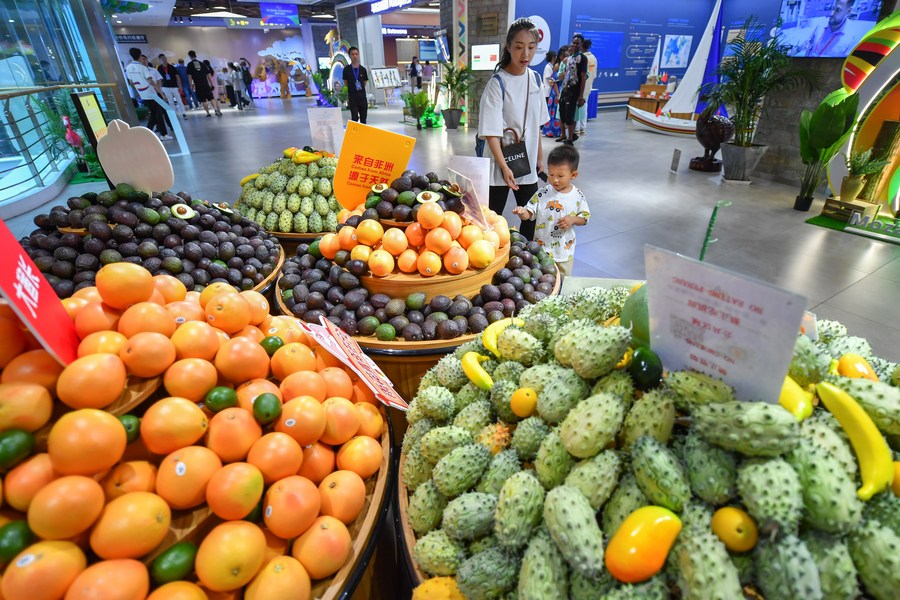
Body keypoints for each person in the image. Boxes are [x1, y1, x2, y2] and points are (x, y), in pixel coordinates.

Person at [477, 18, 549, 242]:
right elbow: (491, 132)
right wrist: (504, 167)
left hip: (525, 163)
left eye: (531, 47)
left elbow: (536, 122)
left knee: (531, 218)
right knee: (492, 219)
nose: (525, 54)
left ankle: (523, 258)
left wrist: (539, 155)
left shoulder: (536, 79)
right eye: (519, 47)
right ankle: (490, 261)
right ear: (508, 47)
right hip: (500, 163)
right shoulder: (497, 83)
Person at [512, 145, 589, 278]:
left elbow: (585, 218)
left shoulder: (577, 196)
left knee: (563, 281)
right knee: (542, 281)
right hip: (541, 251)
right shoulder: (543, 193)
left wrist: (572, 219)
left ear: (573, 175)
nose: (555, 180)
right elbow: (529, 214)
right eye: (551, 174)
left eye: (560, 176)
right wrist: (522, 212)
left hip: (564, 253)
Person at [125, 48, 170, 140]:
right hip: (151, 94)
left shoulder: (128, 68)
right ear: (140, 55)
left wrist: (139, 90)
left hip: (143, 95)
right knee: (158, 113)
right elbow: (151, 82)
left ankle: (146, 133)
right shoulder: (143, 68)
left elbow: (131, 83)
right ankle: (163, 134)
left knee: (154, 114)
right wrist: (161, 93)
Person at [557, 33, 587, 146]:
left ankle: (569, 139)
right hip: (565, 89)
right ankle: (571, 135)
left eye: (577, 43)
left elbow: (583, 77)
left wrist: (580, 96)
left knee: (570, 114)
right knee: (563, 113)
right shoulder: (569, 58)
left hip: (574, 91)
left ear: (581, 45)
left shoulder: (582, 59)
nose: (574, 45)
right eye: (573, 42)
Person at [187, 50, 221, 117]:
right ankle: (216, 110)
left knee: (203, 100)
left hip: (198, 85)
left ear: (190, 56)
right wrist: (211, 84)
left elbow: (189, 76)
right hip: (206, 84)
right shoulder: (201, 64)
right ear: (195, 55)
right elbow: (208, 75)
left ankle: (208, 113)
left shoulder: (190, 65)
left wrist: (191, 85)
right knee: (211, 98)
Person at [575, 39, 597, 135]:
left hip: (581, 86)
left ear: (581, 46)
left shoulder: (582, 58)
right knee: (584, 106)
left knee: (578, 107)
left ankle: (577, 128)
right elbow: (594, 74)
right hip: (589, 86)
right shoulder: (594, 58)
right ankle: (583, 128)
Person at [343, 47, 369, 124]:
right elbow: (345, 83)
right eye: (353, 54)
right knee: (354, 118)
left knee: (363, 119)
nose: (355, 56)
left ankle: (363, 135)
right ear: (349, 56)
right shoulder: (346, 69)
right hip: (353, 98)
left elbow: (364, 82)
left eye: (356, 54)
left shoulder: (363, 69)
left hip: (362, 98)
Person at [157, 54, 186, 120]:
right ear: (160, 60)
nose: (164, 60)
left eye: (164, 58)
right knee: (170, 102)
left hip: (174, 86)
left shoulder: (172, 67)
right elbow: (159, 79)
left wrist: (180, 86)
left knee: (179, 100)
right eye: (162, 59)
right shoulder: (159, 68)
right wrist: (160, 88)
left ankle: (184, 113)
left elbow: (177, 77)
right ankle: (174, 115)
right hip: (165, 87)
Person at [541, 50, 561, 138]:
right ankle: (544, 127)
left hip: (549, 91)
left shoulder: (551, 66)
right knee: (547, 111)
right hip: (547, 91)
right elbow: (549, 79)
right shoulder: (548, 67)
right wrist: (554, 82)